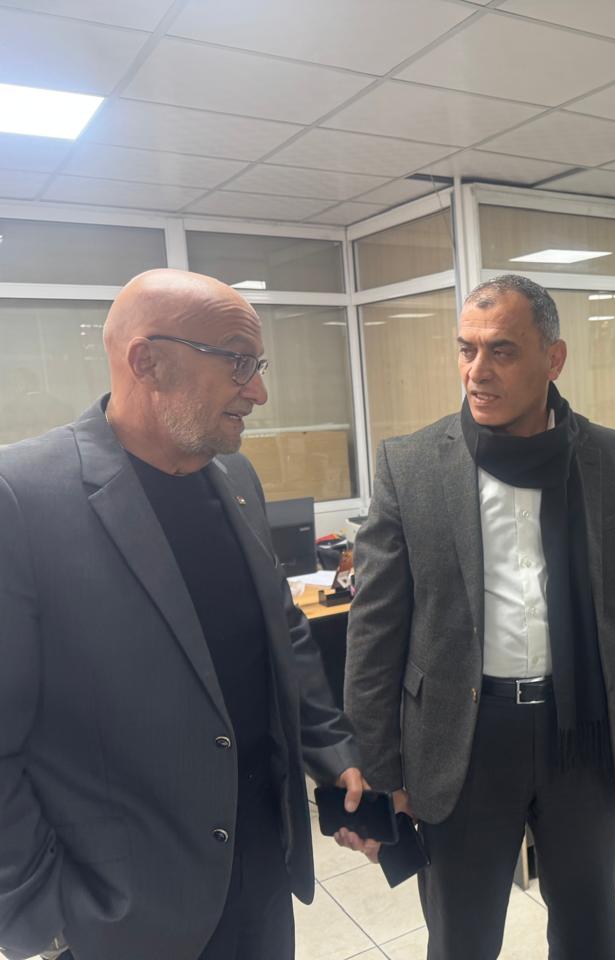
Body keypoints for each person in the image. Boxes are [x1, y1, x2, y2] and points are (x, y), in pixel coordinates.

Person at [0, 270, 365, 960]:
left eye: (257, 367)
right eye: (237, 362)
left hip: (261, 874)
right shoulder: (20, 497)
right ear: (148, 362)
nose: (257, 392)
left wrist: (333, 751)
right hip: (122, 914)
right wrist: (41, 918)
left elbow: (280, 632)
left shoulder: (237, 478)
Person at [341, 274, 615, 960]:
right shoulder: (412, 466)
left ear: (554, 359)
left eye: (503, 351)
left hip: (582, 734)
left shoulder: (612, 461)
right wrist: (380, 771)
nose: (477, 371)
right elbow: (374, 635)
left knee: (588, 933)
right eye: (467, 349)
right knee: (462, 939)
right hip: (461, 740)